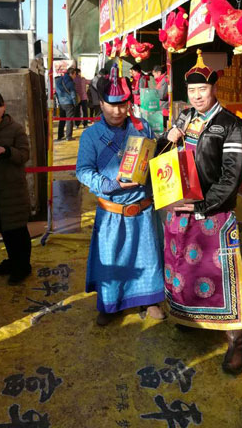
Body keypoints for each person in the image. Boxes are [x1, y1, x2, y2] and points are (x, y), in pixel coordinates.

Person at [157, 50, 242, 373]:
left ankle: (236, 341)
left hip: (214, 216)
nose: (196, 96)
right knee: (183, 269)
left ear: (214, 89)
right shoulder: (183, 118)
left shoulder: (231, 125)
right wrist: (167, 138)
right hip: (180, 212)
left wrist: (202, 206)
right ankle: (188, 317)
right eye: (192, 90)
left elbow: (232, 178)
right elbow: (163, 159)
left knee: (222, 277)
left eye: (203, 89)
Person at [76, 64, 165, 326]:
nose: (117, 111)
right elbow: (83, 171)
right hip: (112, 211)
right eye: (112, 105)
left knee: (148, 256)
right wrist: (108, 184)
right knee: (111, 261)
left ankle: (150, 299)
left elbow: (155, 160)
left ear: (129, 103)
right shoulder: (90, 136)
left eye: (123, 105)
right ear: (101, 104)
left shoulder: (143, 127)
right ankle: (110, 304)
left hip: (143, 207)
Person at [0, 90, 32, 285]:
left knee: (18, 230)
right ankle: (13, 261)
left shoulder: (15, 129)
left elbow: (24, 154)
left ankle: (23, 266)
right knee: (3, 228)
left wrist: (7, 150)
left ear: (4, 107)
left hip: (13, 190)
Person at [55, 67, 77, 141]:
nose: (75, 76)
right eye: (75, 74)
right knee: (69, 120)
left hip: (61, 103)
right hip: (69, 103)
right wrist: (75, 103)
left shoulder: (59, 80)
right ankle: (68, 136)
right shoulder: (70, 82)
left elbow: (57, 91)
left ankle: (60, 135)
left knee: (62, 119)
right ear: (71, 74)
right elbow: (73, 94)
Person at [152, 65, 169, 129]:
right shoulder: (160, 81)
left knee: (164, 127)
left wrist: (154, 93)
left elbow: (162, 95)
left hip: (164, 108)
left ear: (159, 73)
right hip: (160, 107)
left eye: (154, 75)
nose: (154, 77)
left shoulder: (164, 80)